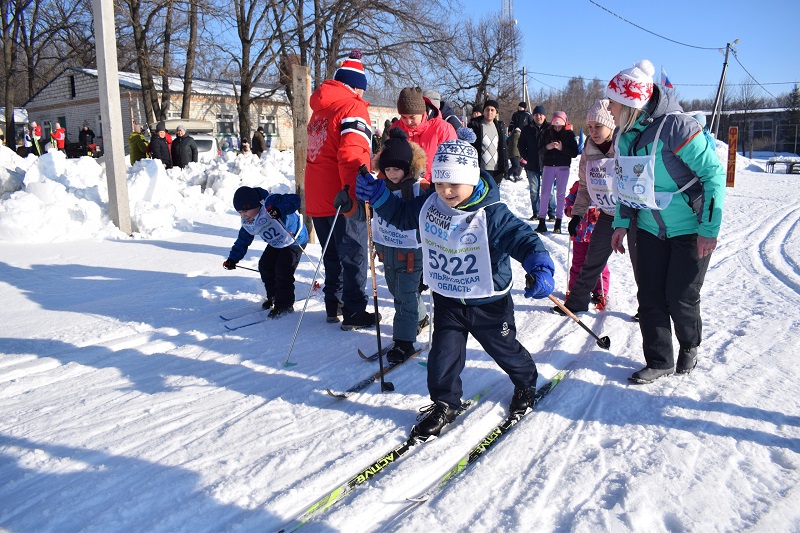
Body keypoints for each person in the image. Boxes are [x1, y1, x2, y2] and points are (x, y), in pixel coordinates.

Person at [354, 128, 556, 439]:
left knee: (504, 350)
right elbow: (402, 215)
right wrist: (379, 196)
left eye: (454, 184)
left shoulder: (492, 213)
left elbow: (523, 239)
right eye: (440, 182)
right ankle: (445, 402)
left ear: (473, 179)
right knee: (442, 357)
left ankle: (526, 381)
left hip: (488, 301)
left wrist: (539, 266)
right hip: (449, 299)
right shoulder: (430, 204)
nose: (446, 191)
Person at [607, 59, 726, 384]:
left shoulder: (678, 127)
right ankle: (659, 360)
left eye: (613, 104)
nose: (609, 109)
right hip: (648, 228)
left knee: (680, 296)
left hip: (691, 229)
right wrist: (621, 222)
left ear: (631, 104)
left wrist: (708, 229)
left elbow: (713, 175)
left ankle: (690, 344)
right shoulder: (625, 135)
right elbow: (626, 184)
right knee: (650, 296)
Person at [306, 49, 375, 329]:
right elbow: (352, 155)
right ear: (356, 86)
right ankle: (355, 311)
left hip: (317, 196)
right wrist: (353, 195)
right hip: (341, 195)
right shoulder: (352, 108)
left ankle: (333, 304)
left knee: (332, 255)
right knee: (354, 254)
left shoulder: (320, 110)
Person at [553, 99, 620, 316]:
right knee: (591, 260)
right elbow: (583, 186)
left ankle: (649, 308)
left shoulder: (622, 147)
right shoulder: (588, 152)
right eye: (590, 127)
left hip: (628, 211)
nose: (593, 132)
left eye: (597, 126)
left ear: (611, 125)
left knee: (642, 263)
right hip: (603, 214)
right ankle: (577, 301)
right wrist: (577, 214)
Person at [370, 127, 430, 363]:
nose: (392, 173)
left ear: (407, 167)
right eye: (387, 169)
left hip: (411, 253)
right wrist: (349, 205)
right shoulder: (379, 187)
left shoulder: (419, 188)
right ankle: (420, 317)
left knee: (404, 296)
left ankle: (404, 342)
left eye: (397, 169)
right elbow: (364, 214)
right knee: (398, 292)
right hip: (387, 250)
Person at [223, 186, 309, 318]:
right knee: (265, 266)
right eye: (240, 212)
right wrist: (233, 259)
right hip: (276, 243)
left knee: (283, 270)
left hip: (293, 240)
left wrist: (279, 210)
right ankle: (273, 296)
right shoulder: (249, 222)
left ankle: (285, 305)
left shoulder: (271, 202)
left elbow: (295, 200)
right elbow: (242, 240)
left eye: (246, 211)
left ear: (256, 204)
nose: (244, 215)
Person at [393, 87, 456, 183]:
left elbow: (451, 163)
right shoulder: (396, 128)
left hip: (434, 185)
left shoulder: (443, 129)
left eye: (412, 117)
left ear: (422, 112)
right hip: (402, 184)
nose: (408, 122)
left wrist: (427, 180)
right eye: (403, 117)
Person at [563, 180, 610, 308]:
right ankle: (574, 289)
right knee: (578, 262)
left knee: (599, 263)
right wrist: (570, 209)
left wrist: (599, 214)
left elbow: (610, 207)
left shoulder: (605, 185)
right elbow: (568, 201)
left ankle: (600, 291)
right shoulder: (579, 185)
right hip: (579, 233)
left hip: (597, 233)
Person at [536, 111, 578, 233]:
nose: (557, 128)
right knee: (544, 194)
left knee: (560, 194)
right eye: (555, 126)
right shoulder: (546, 133)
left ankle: (558, 222)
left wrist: (562, 148)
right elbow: (539, 151)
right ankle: (541, 221)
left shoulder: (569, 135)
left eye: (560, 126)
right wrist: (548, 147)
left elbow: (574, 153)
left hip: (563, 167)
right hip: (548, 166)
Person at [518, 105, 555, 221]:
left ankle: (552, 213)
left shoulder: (551, 128)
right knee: (534, 190)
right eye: (536, 114)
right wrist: (526, 156)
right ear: (533, 116)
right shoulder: (527, 129)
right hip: (532, 165)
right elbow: (520, 145)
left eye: (541, 114)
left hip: (547, 165)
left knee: (550, 191)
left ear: (544, 116)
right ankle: (537, 212)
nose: (538, 116)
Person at [468, 99, 508, 185]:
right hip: (481, 169)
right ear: (483, 111)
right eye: (487, 109)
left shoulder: (500, 127)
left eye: (492, 110)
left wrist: (505, 166)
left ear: (496, 112)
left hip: (496, 170)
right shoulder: (476, 125)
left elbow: (503, 147)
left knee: (494, 196)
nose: (489, 112)